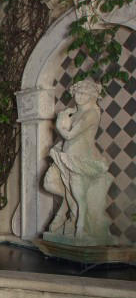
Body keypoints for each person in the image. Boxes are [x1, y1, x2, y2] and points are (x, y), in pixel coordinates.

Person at [43, 78, 113, 242]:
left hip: (78, 157)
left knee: (78, 193)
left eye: (84, 93)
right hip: (66, 154)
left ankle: (80, 227)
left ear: (92, 96)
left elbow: (69, 135)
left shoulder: (92, 114)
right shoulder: (76, 111)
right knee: (60, 187)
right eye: (78, 92)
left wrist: (60, 125)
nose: (79, 96)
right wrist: (65, 116)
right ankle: (68, 216)